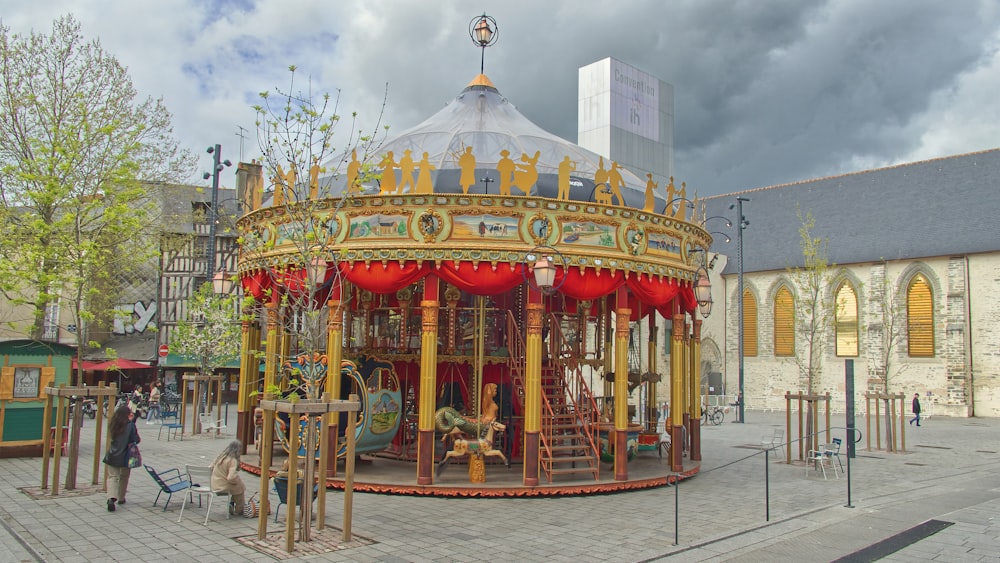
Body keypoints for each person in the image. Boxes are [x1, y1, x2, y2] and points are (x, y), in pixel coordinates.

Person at [102, 405, 140, 512]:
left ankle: (111, 498)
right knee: (124, 476)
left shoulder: (113, 424)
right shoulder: (130, 425)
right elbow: (135, 439)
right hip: (126, 455)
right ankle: (121, 497)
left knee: (112, 477)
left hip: (112, 454)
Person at [211, 440, 247, 516]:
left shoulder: (221, 456)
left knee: (236, 487)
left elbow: (210, 467)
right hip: (224, 486)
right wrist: (237, 481)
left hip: (215, 484)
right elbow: (231, 478)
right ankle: (239, 509)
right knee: (240, 488)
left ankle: (232, 503)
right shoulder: (232, 460)